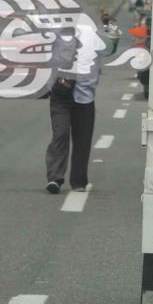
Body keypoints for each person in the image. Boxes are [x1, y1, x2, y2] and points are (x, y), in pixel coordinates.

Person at [44, 30, 100, 194]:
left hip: (85, 95)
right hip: (61, 93)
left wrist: (113, 37)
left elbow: (108, 49)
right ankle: (55, 178)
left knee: (82, 140)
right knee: (60, 134)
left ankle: (78, 181)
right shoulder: (58, 33)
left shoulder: (94, 36)